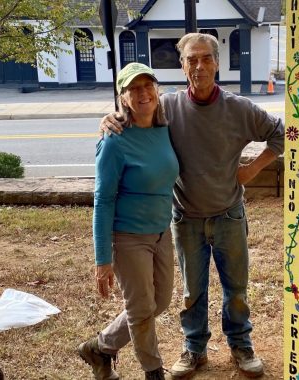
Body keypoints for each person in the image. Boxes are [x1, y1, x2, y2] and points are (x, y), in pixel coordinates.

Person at [101, 33, 285, 378]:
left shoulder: (239, 109)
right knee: (191, 293)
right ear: (182, 65)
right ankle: (194, 348)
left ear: (217, 63)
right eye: (191, 60)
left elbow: (280, 134)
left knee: (237, 290)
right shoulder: (167, 107)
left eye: (205, 59)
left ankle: (241, 344)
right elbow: (135, 112)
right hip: (186, 218)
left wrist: (251, 169)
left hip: (229, 214)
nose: (199, 66)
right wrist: (109, 118)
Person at [79, 62, 179, 380]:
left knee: (159, 301)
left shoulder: (166, 127)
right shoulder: (115, 141)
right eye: (133, 88)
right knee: (140, 309)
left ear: (157, 90)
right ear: (123, 97)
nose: (143, 93)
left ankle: (100, 347)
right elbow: (103, 200)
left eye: (147, 85)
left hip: (162, 232)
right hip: (129, 237)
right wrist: (102, 259)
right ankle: (154, 372)